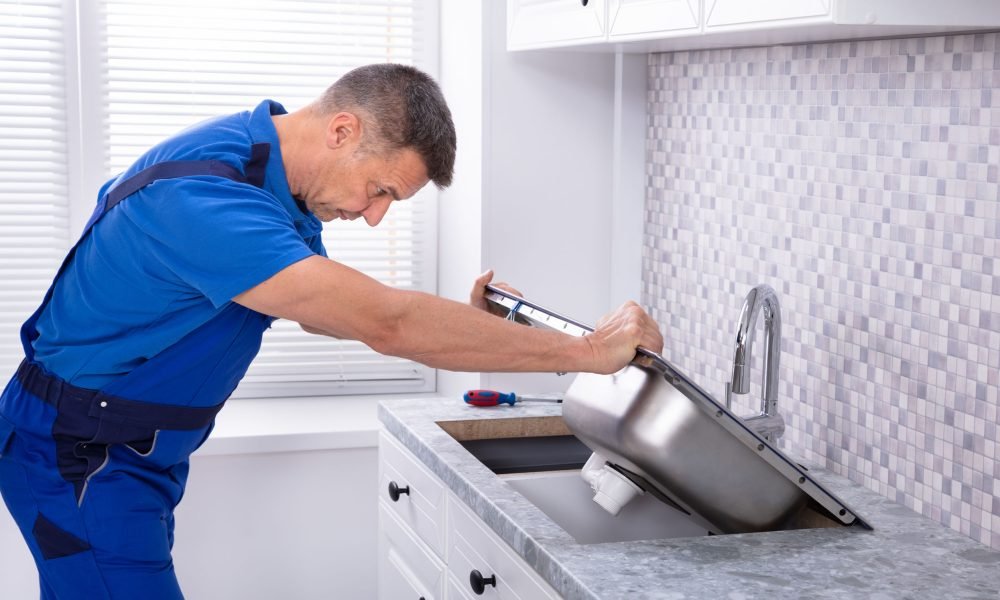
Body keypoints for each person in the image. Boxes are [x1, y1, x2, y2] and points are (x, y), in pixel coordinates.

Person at [0, 63, 663, 599]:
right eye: (381, 191)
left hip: (123, 448)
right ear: (343, 131)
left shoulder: (271, 176)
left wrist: (476, 328)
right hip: (81, 454)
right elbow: (383, 321)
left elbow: (326, 309)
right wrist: (584, 354)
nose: (374, 217)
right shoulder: (206, 199)